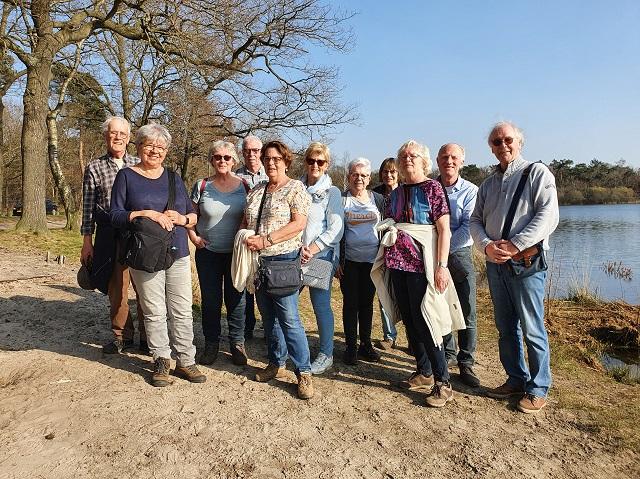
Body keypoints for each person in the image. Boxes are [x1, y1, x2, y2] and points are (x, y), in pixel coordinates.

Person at [470, 121, 559, 414]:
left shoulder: (536, 173)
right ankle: (516, 378)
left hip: (526, 263)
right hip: (496, 266)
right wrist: (486, 246)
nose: (502, 145)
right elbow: (475, 221)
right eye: (496, 142)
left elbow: (548, 215)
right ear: (491, 147)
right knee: (505, 328)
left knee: (532, 328)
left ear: (519, 141)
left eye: (508, 139)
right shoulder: (487, 184)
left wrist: (515, 244)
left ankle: (538, 387)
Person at [110, 123, 206, 387]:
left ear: (166, 151)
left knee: (182, 309)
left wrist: (183, 218)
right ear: (138, 147)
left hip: (177, 251)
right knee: (153, 309)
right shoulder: (126, 177)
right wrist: (144, 213)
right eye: (149, 145)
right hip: (145, 253)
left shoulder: (174, 178)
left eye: (160, 147)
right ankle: (161, 359)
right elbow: (115, 215)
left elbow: (193, 216)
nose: (155, 151)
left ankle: (186, 360)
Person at [376, 140, 464, 408]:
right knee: (411, 321)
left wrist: (442, 266)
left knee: (428, 321)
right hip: (397, 265)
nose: (407, 159)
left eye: (413, 155)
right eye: (402, 156)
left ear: (424, 161)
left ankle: (443, 382)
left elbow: (444, 230)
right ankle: (423, 372)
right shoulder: (396, 193)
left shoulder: (433, 189)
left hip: (422, 267)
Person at [244, 140, 314, 400]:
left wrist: (266, 240)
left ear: (286, 161)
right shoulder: (257, 190)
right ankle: (276, 363)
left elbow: (298, 224)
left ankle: (304, 372)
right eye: (267, 159)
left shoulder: (296, 188)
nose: (271, 163)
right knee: (269, 317)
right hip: (258, 263)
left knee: (290, 319)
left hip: (283, 260)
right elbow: (247, 220)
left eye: (276, 159)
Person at [80, 116, 146, 354]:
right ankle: (122, 336)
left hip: (139, 235)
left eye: (123, 134)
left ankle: (148, 338)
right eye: (113, 133)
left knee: (145, 287)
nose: (118, 137)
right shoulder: (94, 167)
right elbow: (88, 208)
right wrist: (87, 241)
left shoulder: (139, 163)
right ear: (106, 135)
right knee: (117, 288)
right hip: (110, 234)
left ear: (129, 138)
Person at [189, 141, 248, 366]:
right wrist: (194, 238)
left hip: (236, 254)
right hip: (208, 254)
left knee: (237, 300)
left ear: (234, 161)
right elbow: (191, 215)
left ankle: (237, 344)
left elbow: (251, 216)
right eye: (217, 157)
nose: (222, 161)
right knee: (211, 301)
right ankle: (211, 344)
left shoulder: (245, 186)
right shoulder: (202, 185)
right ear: (211, 160)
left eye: (226, 157)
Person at [437, 143, 480, 388]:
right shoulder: (430, 188)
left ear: (462, 161)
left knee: (466, 308)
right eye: (445, 157)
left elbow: (469, 226)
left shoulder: (471, 191)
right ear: (438, 160)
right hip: (434, 256)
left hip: (460, 254)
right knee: (441, 307)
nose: (449, 161)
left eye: (454, 157)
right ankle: (449, 354)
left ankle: (466, 361)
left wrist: (446, 247)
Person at [300, 142, 344, 375]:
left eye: (320, 162)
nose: (315, 165)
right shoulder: (296, 187)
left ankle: (326, 354)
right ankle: (287, 346)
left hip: (320, 257)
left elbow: (336, 229)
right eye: (311, 160)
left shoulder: (332, 192)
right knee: (286, 302)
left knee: (320, 306)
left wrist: (313, 249)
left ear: (327, 165)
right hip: (295, 254)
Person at [338, 158, 384, 365]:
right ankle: (350, 347)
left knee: (367, 304)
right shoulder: (341, 200)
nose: (359, 179)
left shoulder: (379, 200)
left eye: (363, 175)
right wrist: (337, 260)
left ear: (369, 178)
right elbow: (336, 231)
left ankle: (366, 344)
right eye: (355, 174)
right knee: (350, 304)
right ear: (349, 176)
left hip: (373, 262)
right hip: (349, 261)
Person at [235, 135, 267, 340]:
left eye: (255, 150)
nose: (251, 154)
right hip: (245, 237)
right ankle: (246, 327)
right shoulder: (235, 177)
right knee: (246, 283)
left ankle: (268, 327)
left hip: (267, 237)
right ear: (242, 153)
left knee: (266, 284)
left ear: (261, 152)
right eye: (247, 151)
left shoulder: (271, 173)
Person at [372, 157, 400, 351]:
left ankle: (414, 339)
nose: (388, 175)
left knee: (405, 295)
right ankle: (389, 336)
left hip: (401, 250)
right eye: (385, 172)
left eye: (392, 172)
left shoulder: (405, 193)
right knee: (383, 293)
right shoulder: (374, 194)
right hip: (378, 248)